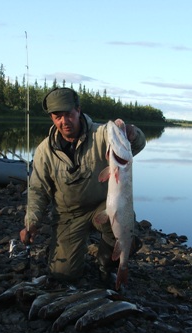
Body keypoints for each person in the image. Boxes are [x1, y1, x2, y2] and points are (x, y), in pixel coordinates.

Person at [20, 87, 146, 285]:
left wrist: (133, 133)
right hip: (69, 215)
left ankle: (108, 264)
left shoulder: (101, 134)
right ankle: (64, 249)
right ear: (52, 117)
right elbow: (37, 190)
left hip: (102, 206)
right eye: (57, 116)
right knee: (63, 275)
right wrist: (32, 221)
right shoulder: (44, 150)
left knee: (121, 221)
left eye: (68, 114)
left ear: (78, 110)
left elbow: (136, 145)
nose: (64, 121)